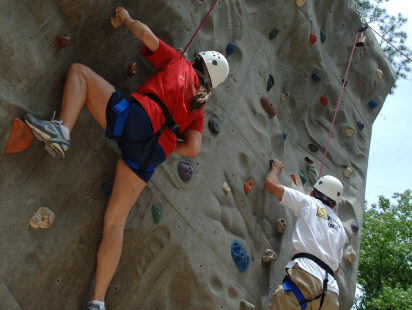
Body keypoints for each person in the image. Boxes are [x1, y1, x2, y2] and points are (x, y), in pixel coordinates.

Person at [24, 7, 229, 310]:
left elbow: (146, 36)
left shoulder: (179, 62)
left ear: (198, 59)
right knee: (115, 224)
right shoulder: (198, 112)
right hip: (151, 154)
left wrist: (127, 18)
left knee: (79, 72)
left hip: (137, 119)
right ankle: (98, 301)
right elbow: (194, 149)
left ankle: (63, 130)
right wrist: (167, 143)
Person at [264, 159, 346, 310]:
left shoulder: (308, 202)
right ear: (334, 204)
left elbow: (271, 185)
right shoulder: (340, 227)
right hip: (330, 293)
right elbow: (336, 269)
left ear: (313, 192)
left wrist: (275, 169)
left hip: (305, 276)